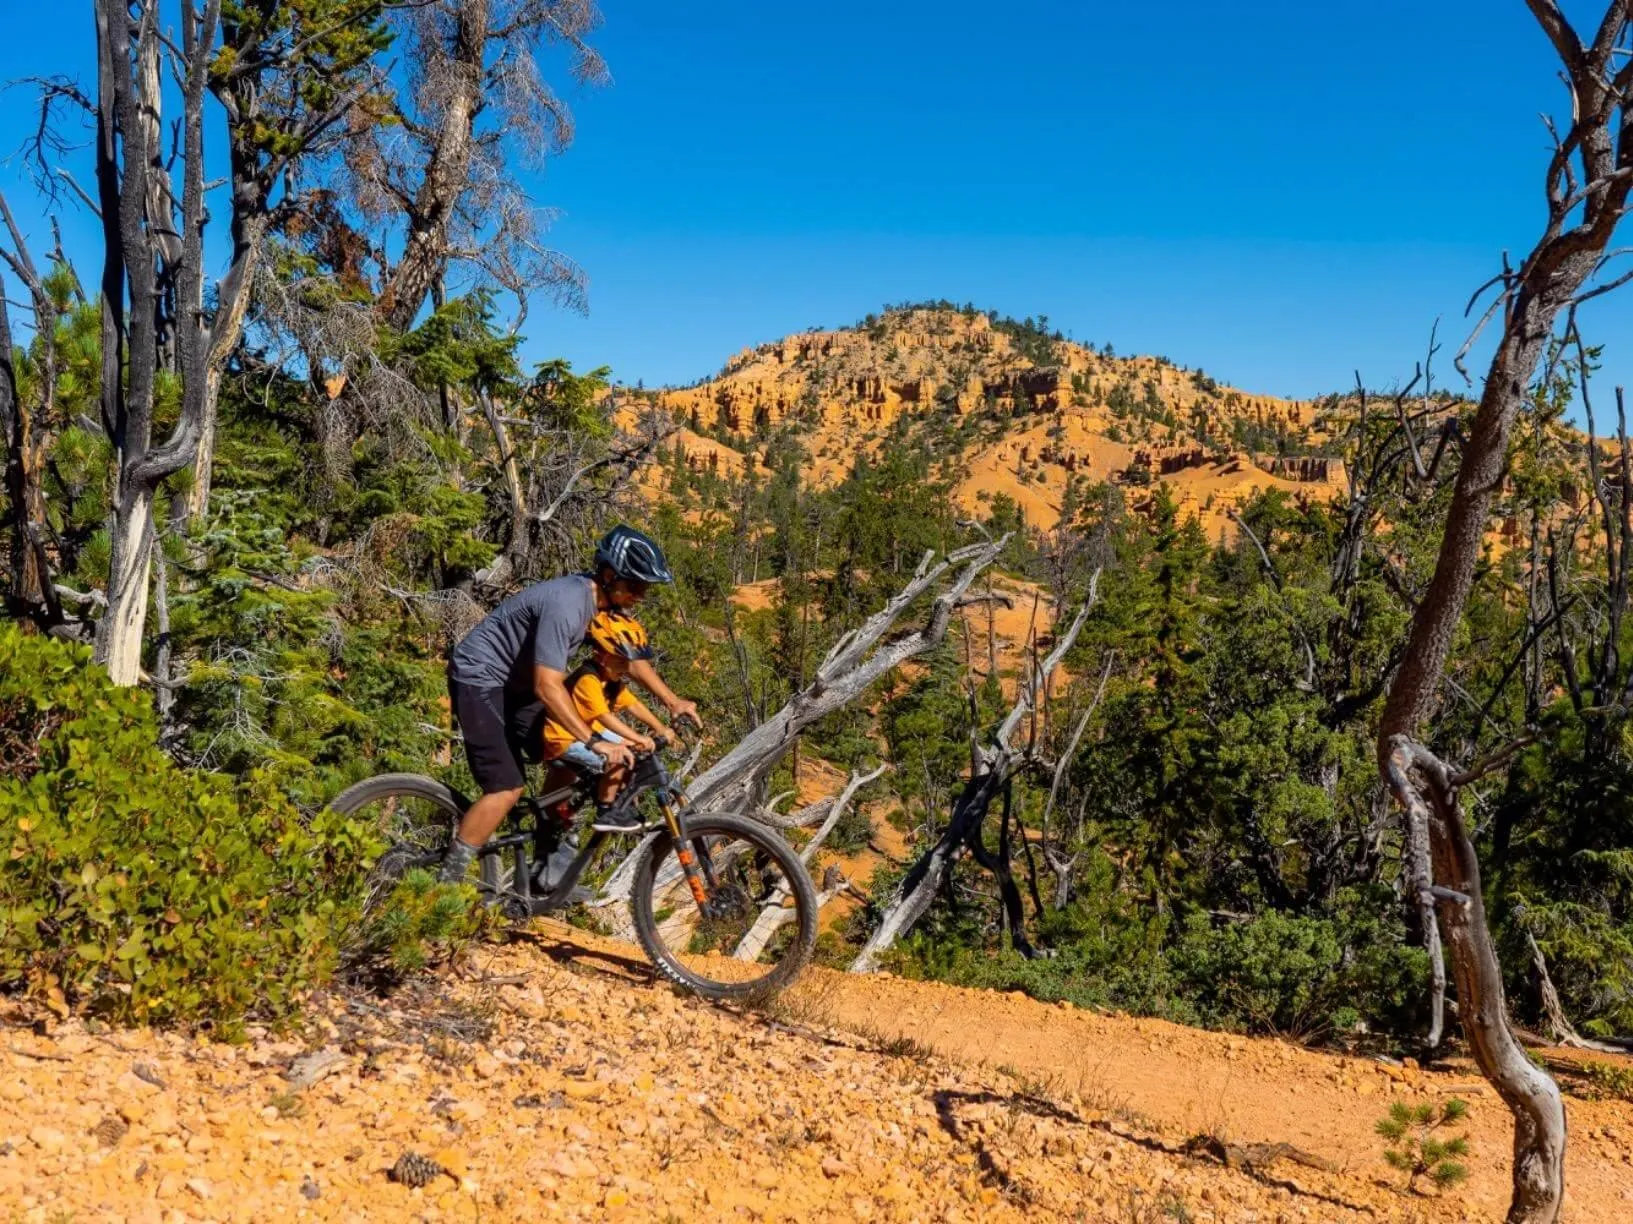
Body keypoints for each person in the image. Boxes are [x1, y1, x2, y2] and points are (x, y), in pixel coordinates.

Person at [439, 525, 697, 883]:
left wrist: (672, 701)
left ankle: (544, 868)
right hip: (481, 678)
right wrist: (594, 740)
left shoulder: (602, 604)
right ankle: (444, 883)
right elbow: (548, 687)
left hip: (517, 685)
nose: (640, 595)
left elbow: (628, 657)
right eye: (635, 585)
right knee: (506, 787)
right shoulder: (569, 604)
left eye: (645, 589)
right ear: (609, 575)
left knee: (563, 758)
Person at [539, 611, 676, 828]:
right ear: (602, 655)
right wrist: (638, 736)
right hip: (563, 737)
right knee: (619, 756)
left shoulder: (610, 679)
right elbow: (605, 717)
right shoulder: (587, 679)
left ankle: (621, 802)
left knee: (636, 752)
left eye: (628, 663)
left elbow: (633, 705)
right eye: (621, 662)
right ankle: (606, 810)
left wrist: (659, 728)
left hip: (588, 731)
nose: (626, 668)